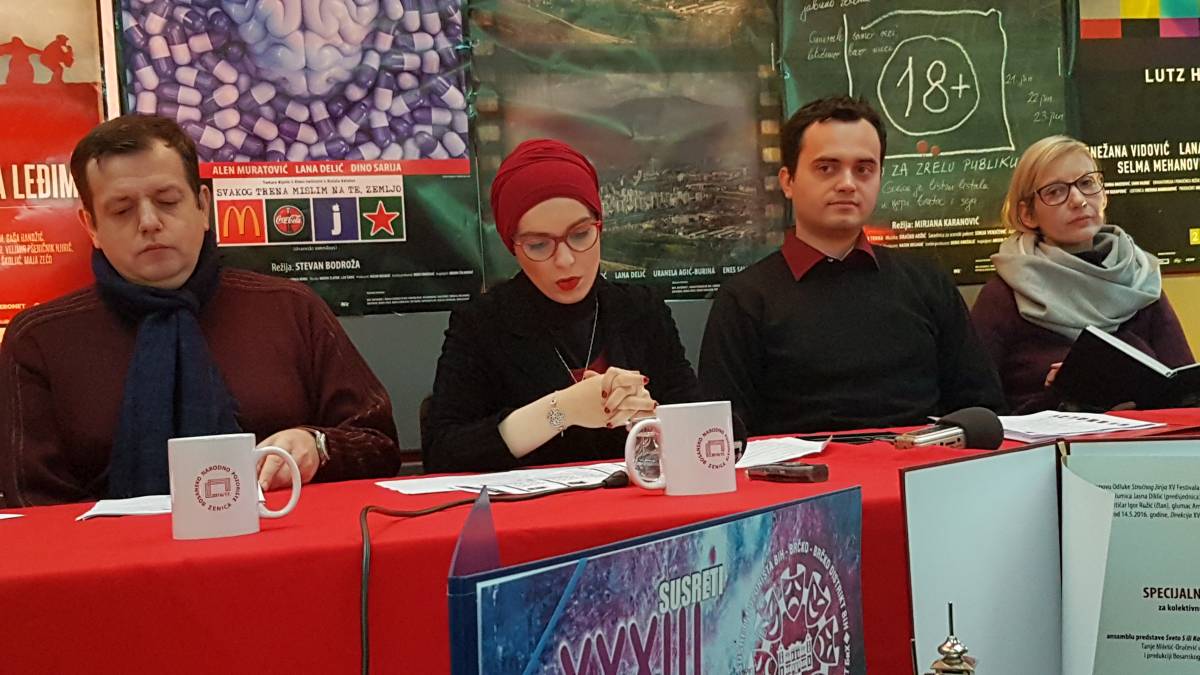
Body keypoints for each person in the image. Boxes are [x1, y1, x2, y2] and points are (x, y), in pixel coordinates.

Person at [0, 115, 400, 507]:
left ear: (203, 206)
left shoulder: (291, 309)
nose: (149, 222)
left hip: (281, 539)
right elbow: (32, 501)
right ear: (91, 227)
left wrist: (318, 446)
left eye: (167, 201)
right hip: (108, 549)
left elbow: (379, 445)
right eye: (121, 210)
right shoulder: (39, 340)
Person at [699, 96, 1005, 436]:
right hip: (800, 470)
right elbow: (722, 436)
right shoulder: (745, 299)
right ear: (788, 181)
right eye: (826, 168)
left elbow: (982, 406)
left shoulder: (926, 281)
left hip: (922, 464)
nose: (847, 183)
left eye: (863, 169)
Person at [422, 139, 700, 472]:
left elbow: (711, 426)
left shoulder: (641, 310)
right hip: (534, 505)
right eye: (539, 245)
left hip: (637, 501)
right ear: (513, 246)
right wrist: (560, 411)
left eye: (580, 235)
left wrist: (652, 419)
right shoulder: (482, 325)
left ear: (600, 226)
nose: (565, 260)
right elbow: (444, 452)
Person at [971, 135, 1193, 413]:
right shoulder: (1005, 294)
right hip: (1047, 439)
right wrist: (1061, 395)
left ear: (1103, 194)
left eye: (1087, 183)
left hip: (1145, 438)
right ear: (1028, 214)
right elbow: (977, 407)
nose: (1078, 200)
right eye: (1055, 191)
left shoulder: (1139, 279)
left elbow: (1186, 394)